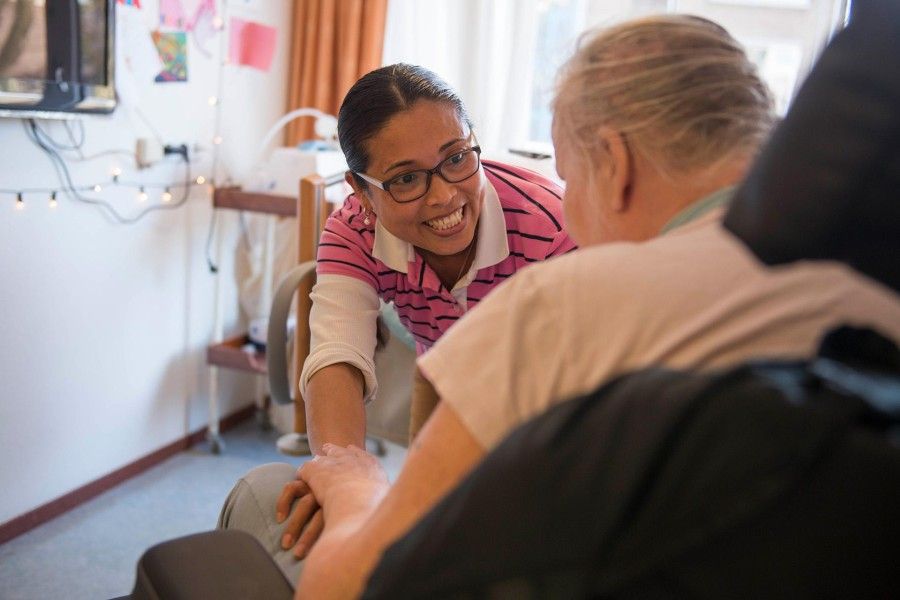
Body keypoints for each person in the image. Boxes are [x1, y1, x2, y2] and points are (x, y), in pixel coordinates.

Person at [284, 15, 900, 598]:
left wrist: (357, 487)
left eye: (570, 176)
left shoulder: (557, 303)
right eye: (406, 178)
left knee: (271, 509)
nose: (566, 200)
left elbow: (353, 585)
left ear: (614, 161)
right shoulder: (871, 297)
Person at [220, 63, 575, 575]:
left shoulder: (552, 229)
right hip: (444, 376)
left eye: (457, 158)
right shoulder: (352, 230)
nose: (444, 195)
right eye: (406, 178)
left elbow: (568, 401)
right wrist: (342, 480)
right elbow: (336, 352)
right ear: (362, 192)